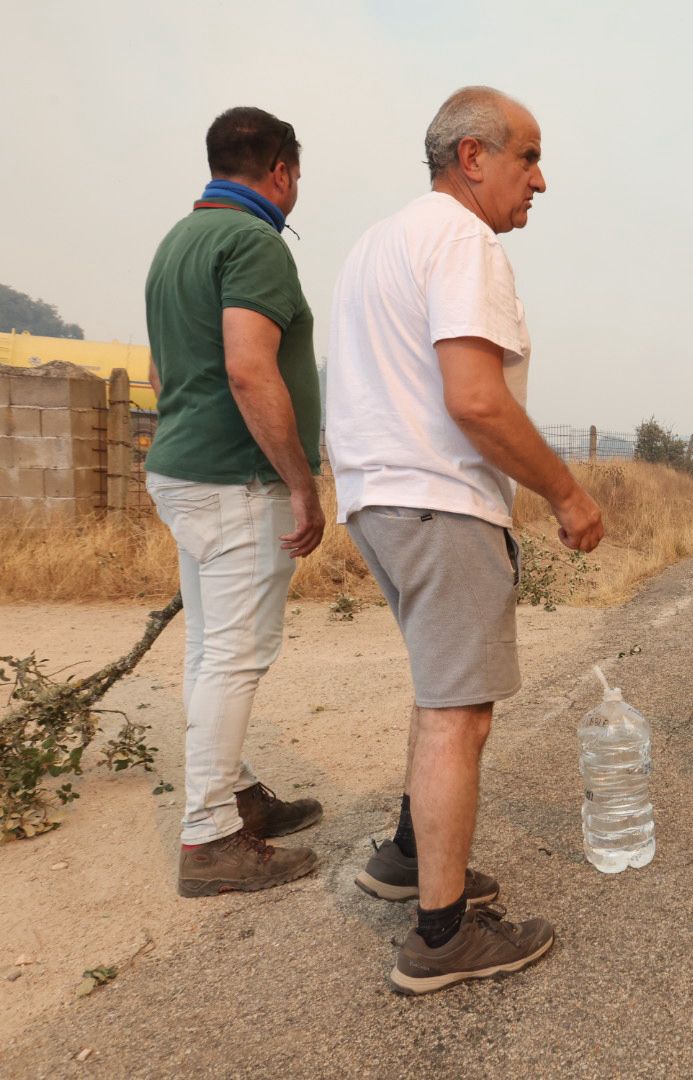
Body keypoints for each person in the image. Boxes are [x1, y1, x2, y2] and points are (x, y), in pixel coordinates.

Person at [327, 86, 605, 996]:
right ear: (473, 156)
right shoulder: (464, 240)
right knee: (461, 713)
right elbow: (477, 400)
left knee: (440, 690)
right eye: (529, 157)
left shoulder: (378, 243)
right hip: (438, 499)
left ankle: (411, 857)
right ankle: (441, 937)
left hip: (377, 497)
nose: (541, 181)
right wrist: (566, 492)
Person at [144, 107, 326, 898]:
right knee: (235, 654)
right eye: (297, 174)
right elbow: (251, 371)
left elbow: (160, 374)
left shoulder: (176, 243)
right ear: (280, 170)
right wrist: (300, 480)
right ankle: (211, 835)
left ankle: (237, 793)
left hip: (183, 470)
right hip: (237, 480)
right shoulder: (254, 243)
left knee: (209, 648)